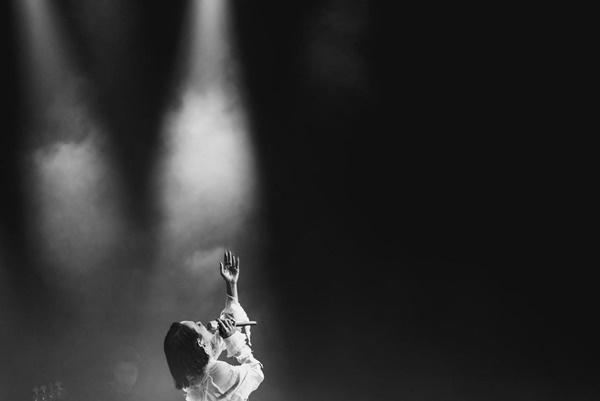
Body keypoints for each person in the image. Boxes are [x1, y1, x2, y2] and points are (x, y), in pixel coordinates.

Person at [164, 251, 264, 401]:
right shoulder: (216, 373)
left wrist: (231, 285)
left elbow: (223, 333)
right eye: (196, 326)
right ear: (199, 342)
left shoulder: (193, 378)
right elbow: (256, 373)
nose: (200, 323)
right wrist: (235, 342)